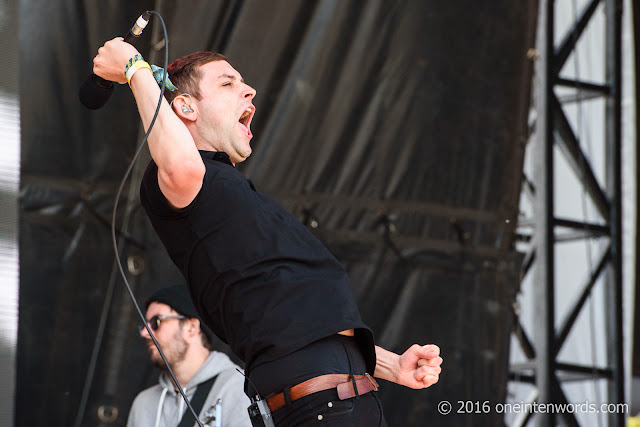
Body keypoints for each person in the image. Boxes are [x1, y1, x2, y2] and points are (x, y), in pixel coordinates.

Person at [93, 38, 442, 426]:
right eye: (227, 83)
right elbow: (178, 165)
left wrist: (391, 365)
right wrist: (134, 67)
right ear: (185, 107)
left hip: (341, 395)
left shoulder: (232, 193)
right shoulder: (184, 181)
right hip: (318, 403)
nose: (249, 89)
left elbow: (292, 315)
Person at [127, 284, 252, 427]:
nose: (144, 333)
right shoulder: (143, 404)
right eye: (144, 325)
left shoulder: (239, 389)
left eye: (156, 322)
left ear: (191, 328)